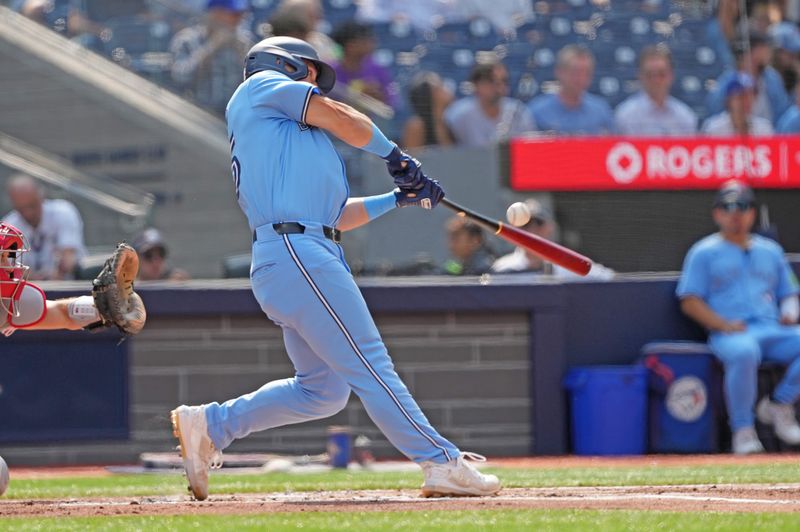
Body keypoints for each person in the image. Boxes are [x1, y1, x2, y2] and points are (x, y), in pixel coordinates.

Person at [170, 36, 501, 501]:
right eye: (307, 71)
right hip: (295, 251)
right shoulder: (260, 86)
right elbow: (340, 116)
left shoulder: (287, 137)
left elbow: (336, 215)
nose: (314, 83)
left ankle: (213, 424)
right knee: (371, 362)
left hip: (298, 250)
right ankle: (440, 461)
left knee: (322, 391)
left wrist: (397, 197)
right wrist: (395, 155)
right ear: (280, 63)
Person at [677, 180, 800, 455]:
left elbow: (789, 292)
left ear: (752, 213)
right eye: (728, 207)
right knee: (744, 353)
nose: (735, 213)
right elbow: (689, 300)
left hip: (772, 328)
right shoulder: (703, 251)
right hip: (731, 332)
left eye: (742, 206)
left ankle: (780, 404)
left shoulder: (771, 250)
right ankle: (743, 431)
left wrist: (790, 313)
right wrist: (722, 324)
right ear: (716, 213)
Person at [1, 222, 146, 338]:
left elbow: (64, 314)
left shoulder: (6, 305)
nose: (9, 267)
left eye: (8, 257)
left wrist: (102, 307)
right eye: (1, 258)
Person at [490, 199, 614, 280]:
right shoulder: (502, 268)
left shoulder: (569, 264)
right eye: (525, 225)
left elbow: (610, 278)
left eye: (538, 223)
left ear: (550, 227)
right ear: (515, 230)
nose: (532, 230)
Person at [170, 0, 253, 115]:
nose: (238, 20)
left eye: (240, 15)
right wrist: (212, 47)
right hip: (196, 114)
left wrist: (243, 57)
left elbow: (254, 88)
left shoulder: (243, 43)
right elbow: (181, 77)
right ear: (215, 13)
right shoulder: (188, 40)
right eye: (233, 14)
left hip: (232, 118)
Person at [3, 175, 86, 280]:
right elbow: (10, 269)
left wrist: (58, 271)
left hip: (70, 284)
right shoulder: (8, 226)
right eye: (21, 209)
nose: (28, 213)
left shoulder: (63, 212)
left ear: (41, 196)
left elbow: (69, 259)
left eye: (32, 205)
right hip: (29, 289)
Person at [705, 32, 791, 127]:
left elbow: (782, 111)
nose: (769, 53)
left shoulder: (772, 78)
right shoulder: (727, 80)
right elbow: (714, 111)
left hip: (767, 135)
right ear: (754, 51)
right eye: (765, 47)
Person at [443, 60, 535, 147]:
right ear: (476, 84)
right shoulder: (457, 115)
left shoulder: (519, 111)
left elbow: (530, 147)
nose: (499, 87)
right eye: (492, 81)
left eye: (504, 81)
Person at [528, 44, 615, 136]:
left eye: (587, 73)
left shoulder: (601, 111)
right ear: (559, 72)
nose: (581, 79)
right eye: (575, 73)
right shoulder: (537, 111)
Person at [614, 45, 698, 137]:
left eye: (661, 74)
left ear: (671, 75)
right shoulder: (625, 115)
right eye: (650, 74)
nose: (656, 80)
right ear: (639, 76)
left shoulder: (685, 116)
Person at [330, 21, 398, 110]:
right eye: (365, 39)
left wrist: (379, 96)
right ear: (350, 45)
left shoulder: (377, 70)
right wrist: (358, 97)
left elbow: (393, 102)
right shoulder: (329, 71)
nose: (373, 42)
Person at [702, 72, 775, 136]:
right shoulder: (714, 129)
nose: (746, 101)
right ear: (729, 100)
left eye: (750, 96)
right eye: (740, 97)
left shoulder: (764, 129)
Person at [401, 71, 455, 149]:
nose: (446, 92)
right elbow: (410, 159)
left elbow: (454, 156)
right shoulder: (416, 126)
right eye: (440, 89)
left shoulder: (454, 119)